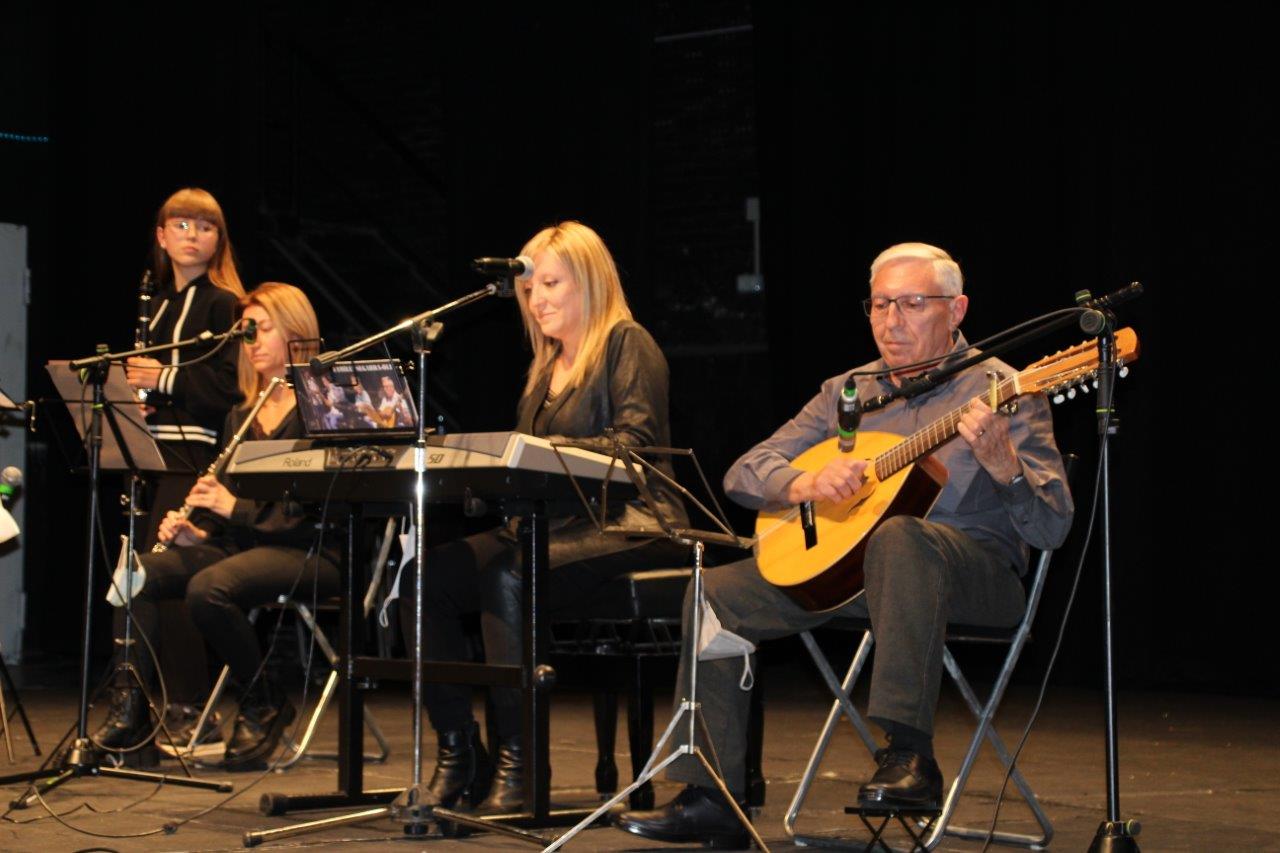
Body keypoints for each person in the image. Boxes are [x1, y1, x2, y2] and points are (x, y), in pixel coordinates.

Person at [615, 243, 1074, 848]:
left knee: (901, 537)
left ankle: (909, 756)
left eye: (912, 304)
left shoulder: (1006, 389)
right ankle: (712, 797)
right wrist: (803, 483)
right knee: (715, 593)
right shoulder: (848, 390)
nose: (891, 321)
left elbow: (1051, 529)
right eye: (880, 305)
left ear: (957, 310)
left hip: (974, 578)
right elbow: (744, 471)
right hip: (855, 576)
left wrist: (1005, 465)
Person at [399, 221, 690, 813]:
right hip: (548, 525)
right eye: (531, 288)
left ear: (590, 282)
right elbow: (523, 468)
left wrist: (535, 457)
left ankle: (522, 761)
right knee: (424, 578)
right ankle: (459, 751)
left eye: (551, 284)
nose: (537, 300)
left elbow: (634, 448)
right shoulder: (545, 368)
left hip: (633, 522)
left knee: (508, 572)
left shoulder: (626, 343)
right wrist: (477, 475)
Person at [93, 283, 341, 770]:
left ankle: (262, 698)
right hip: (247, 548)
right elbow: (227, 501)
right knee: (134, 575)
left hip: (314, 551)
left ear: (296, 332)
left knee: (209, 588)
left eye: (262, 329)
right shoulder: (242, 413)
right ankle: (132, 715)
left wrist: (233, 510)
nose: (252, 343)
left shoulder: (324, 407)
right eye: (246, 333)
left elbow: (316, 511)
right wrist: (199, 531)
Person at [115, 188, 246, 757]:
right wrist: (136, 399)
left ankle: (191, 706)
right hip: (152, 453)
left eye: (206, 226)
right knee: (143, 579)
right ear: (161, 236)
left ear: (219, 240)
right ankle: (144, 701)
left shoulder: (224, 305)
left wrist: (160, 380)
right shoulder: (157, 302)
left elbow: (227, 389)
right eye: (182, 224)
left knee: (166, 576)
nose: (193, 235)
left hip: (192, 456)